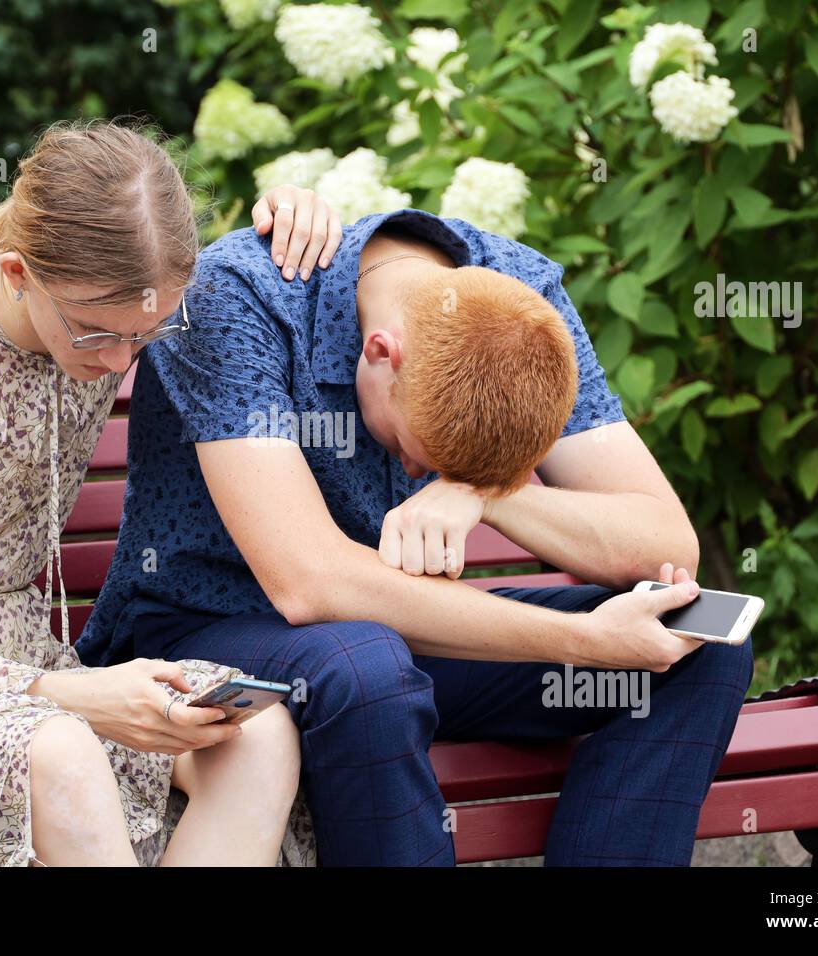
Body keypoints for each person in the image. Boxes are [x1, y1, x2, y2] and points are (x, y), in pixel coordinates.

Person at [77, 208, 755, 866]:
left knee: (697, 641)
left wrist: (485, 491)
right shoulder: (242, 296)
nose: (415, 474)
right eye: (416, 450)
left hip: (396, 645)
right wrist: (588, 643)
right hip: (206, 633)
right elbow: (309, 583)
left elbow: (667, 545)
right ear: (381, 353)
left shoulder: (517, 304)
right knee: (368, 665)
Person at [0, 118, 343, 866]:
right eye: (94, 334)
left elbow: (248, 282)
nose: (118, 361)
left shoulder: (110, 322)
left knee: (253, 734)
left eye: (144, 335)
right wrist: (77, 694)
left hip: (26, 662)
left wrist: (298, 209)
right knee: (63, 751)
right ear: (17, 273)